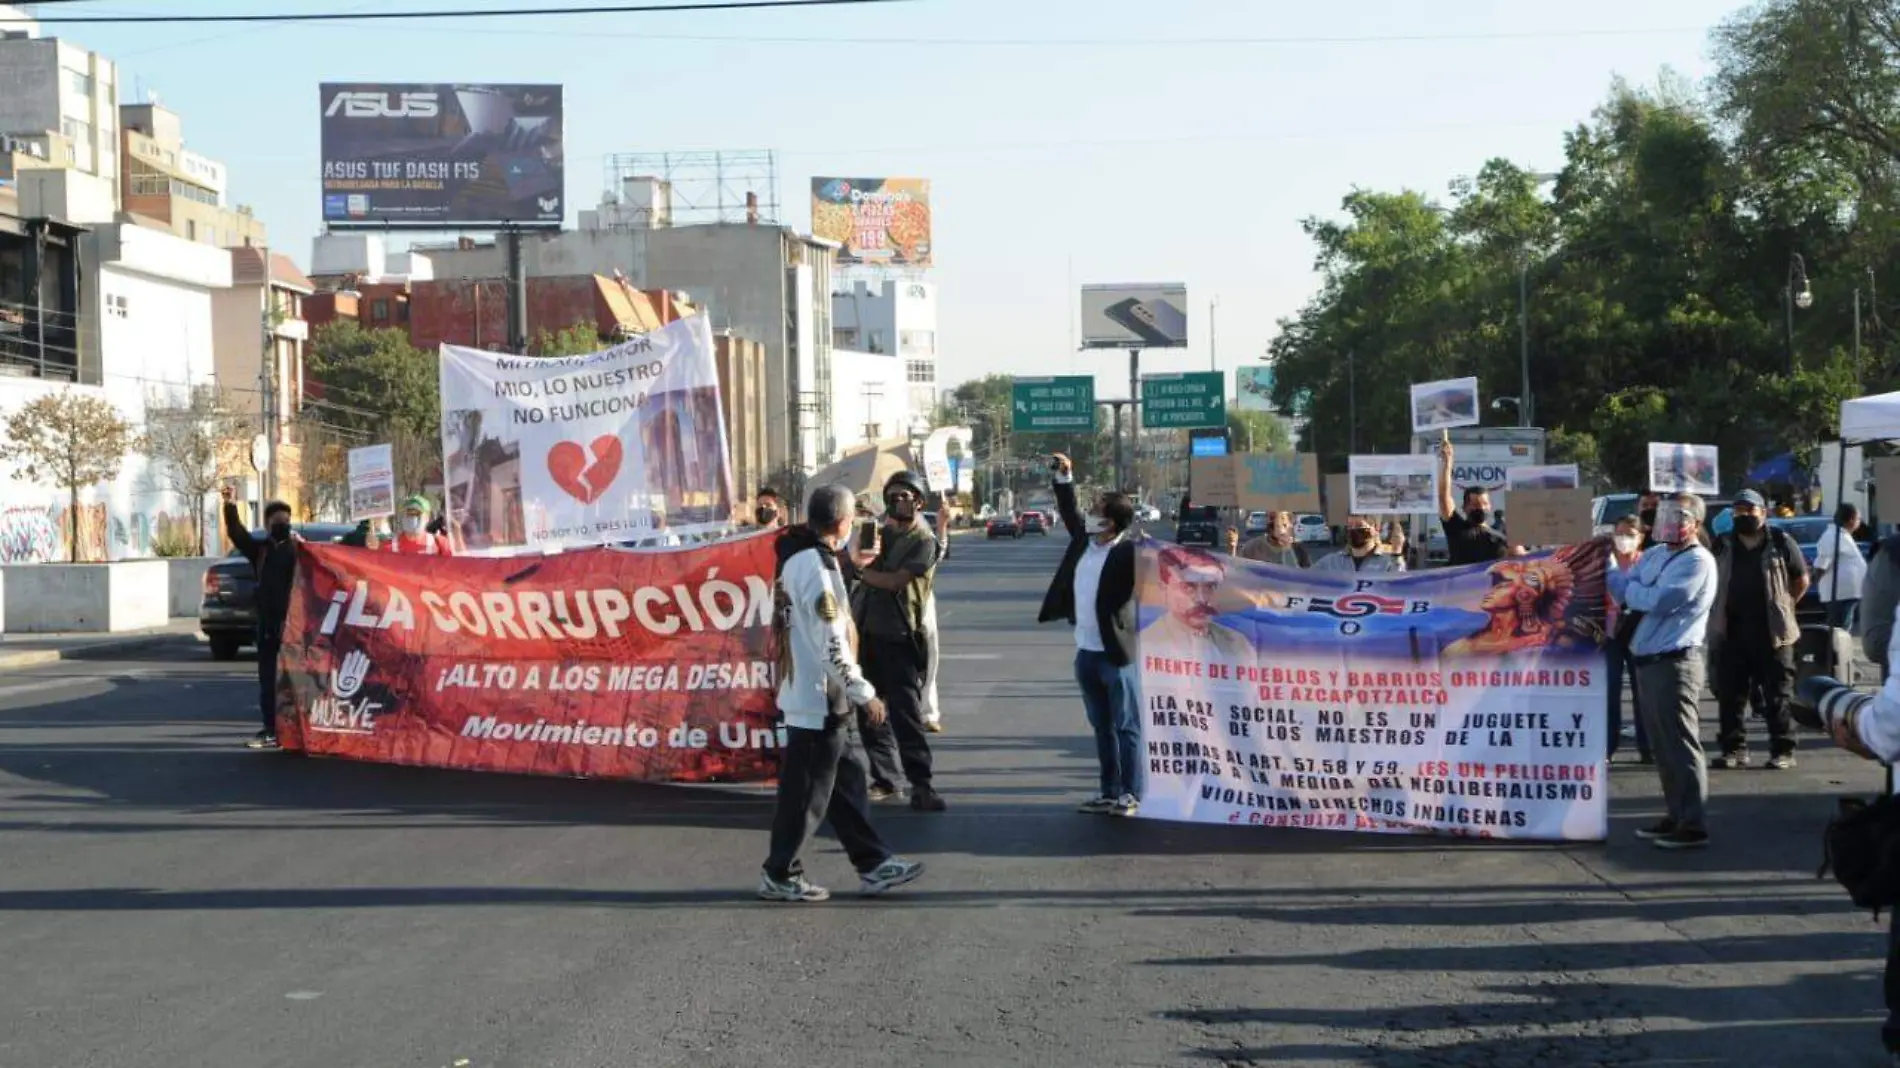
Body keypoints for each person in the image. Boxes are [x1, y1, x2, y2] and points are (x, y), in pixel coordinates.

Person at [759, 483, 924, 903]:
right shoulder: (814, 566)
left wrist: (851, 565)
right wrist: (864, 692)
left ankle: (873, 863)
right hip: (818, 698)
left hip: (817, 696)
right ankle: (781, 872)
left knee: (845, 785)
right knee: (807, 796)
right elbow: (831, 638)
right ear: (843, 522)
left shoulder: (807, 557)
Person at [1609, 492, 1718, 850]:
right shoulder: (1656, 553)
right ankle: (1677, 813)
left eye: (1680, 516)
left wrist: (1639, 590)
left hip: (1675, 662)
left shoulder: (1698, 560)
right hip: (1649, 661)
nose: (1669, 522)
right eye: (1666, 514)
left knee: (1681, 744)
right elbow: (1624, 589)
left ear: (1696, 523)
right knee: (1662, 745)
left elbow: (1661, 601)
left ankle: (1693, 823)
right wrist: (1621, 574)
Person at [1038, 452, 1142, 816]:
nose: (1091, 514)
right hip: (1086, 653)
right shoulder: (1084, 541)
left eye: (1098, 511)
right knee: (1102, 728)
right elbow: (1069, 511)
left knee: (1127, 727)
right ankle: (1109, 792)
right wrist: (1065, 476)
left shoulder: (1130, 552)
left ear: (1112, 524)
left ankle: (1132, 794)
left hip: (1116, 655)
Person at [850, 470, 946, 812]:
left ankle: (922, 783)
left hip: (902, 636)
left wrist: (860, 570)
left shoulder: (923, 540)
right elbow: (852, 560)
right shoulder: (876, 532)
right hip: (867, 634)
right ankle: (886, 779)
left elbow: (894, 582)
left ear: (919, 501)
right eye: (893, 495)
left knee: (906, 715)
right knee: (870, 711)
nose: (898, 501)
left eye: (905, 495)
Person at [1708, 489, 1808, 771]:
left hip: (1774, 634)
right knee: (1730, 696)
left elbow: (1801, 579)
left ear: (1763, 513)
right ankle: (1733, 750)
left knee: (1778, 695)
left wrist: (1784, 606)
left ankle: (1783, 750)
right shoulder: (1723, 543)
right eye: (1738, 511)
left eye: (1750, 511)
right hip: (1731, 632)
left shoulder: (1780, 542)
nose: (1744, 516)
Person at [220, 485, 299, 750]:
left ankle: (298, 729)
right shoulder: (261, 551)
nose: (282, 525)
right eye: (277, 522)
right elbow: (237, 534)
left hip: (295, 628)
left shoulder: (299, 551)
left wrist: (364, 532)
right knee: (268, 681)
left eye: (286, 521)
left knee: (297, 682)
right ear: (267, 525)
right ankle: (271, 729)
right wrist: (230, 505)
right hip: (267, 627)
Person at [1141, 546, 1255, 667]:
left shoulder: (1237, 643)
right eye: (1188, 588)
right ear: (1163, 588)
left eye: (1209, 587)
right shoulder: (1146, 644)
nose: (1201, 599)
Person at [1435, 432, 1517, 565]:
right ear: (1465, 508)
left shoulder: (1501, 538)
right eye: (1475, 504)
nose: (1480, 508)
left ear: (1490, 506)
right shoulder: (1456, 528)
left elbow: (1521, 561)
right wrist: (1448, 462)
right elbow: (1443, 497)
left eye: (1484, 504)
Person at [1606, 515, 1650, 762]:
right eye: (1619, 533)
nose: (1624, 539)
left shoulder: (1648, 563)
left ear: (1641, 537)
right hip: (1608, 635)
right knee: (1609, 691)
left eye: (1630, 534)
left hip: (1639, 634)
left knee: (1642, 691)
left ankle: (1647, 747)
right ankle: (1607, 747)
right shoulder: (1603, 563)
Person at [920, 503, 953, 734]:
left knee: (930, 658)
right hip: (888, 607)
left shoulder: (920, 529)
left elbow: (937, 553)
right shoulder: (882, 530)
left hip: (921, 605)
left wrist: (942, 526)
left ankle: (929, 712)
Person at [1815, 502, 1867, 631]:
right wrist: (1817, 581)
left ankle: (1837, 649)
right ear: (1851, 520)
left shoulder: (1843, 535)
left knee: (1843, 628)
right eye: (1858, 518)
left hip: (1847, 594)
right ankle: (1835, 651)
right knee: (1839, 631)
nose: (1859, 522)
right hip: (1839, 595)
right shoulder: (1832, 536)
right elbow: (1822, 564)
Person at [1315, 515, 1406, 573]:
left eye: (1359, 525)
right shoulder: (1330, 562)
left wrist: (1397, 552)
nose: (1353, 529)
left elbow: (1401, 588)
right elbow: (1305, 582)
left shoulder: (1388, 562)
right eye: (1350, 526)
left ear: (1375, 528)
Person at [375, 496, 456, 556]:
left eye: (417, 513)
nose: (412, 517)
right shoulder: (387, 547)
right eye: (409, 513)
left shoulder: (441, 543)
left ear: (427, 517)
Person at [1237, 511, 1309, 567]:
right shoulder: (1253, 547)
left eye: (1284, 525)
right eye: (1277, 525)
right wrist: (1232, 548)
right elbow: (1238, 570)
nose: (1282, 530)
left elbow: (1305, 577)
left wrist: (1288, 548)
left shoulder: (1298, 548)